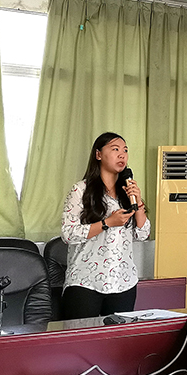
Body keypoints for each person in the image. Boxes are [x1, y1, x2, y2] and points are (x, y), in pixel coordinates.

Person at [61, 132, 150, 319]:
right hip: (85, 282)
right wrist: (107, 223)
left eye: (125, 150)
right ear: (98, 154)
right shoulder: (81, 190)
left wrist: (138, 201)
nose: (122, 155)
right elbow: (68, 234)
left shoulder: (127, 193)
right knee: (82, 335)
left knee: (118, 336)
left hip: (123, 282)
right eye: (115, 149)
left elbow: (142, 234)